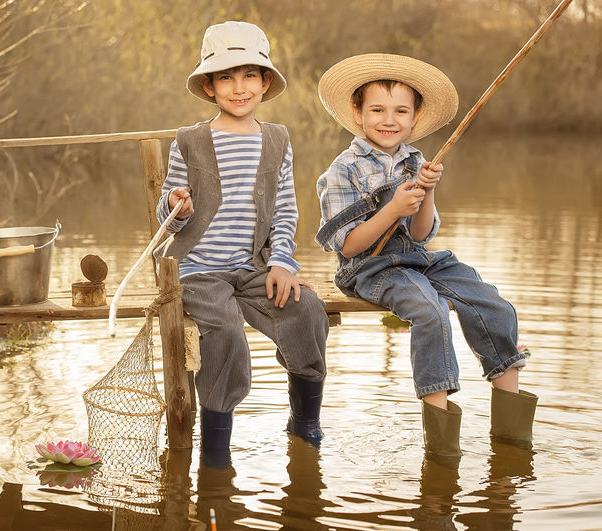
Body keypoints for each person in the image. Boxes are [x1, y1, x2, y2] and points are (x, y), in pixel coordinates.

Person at [315, 54, 537, 466]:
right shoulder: (342, 171)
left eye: (401, 111)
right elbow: (349, 246)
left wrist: (427, 191)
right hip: (369, 267)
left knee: (495, 306)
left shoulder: (416, 161)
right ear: (357, 113)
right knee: (430, 311)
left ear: (415, 117)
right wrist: (391, 208)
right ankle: (442, 450)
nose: (389, 120)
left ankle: (512, 440)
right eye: (377, 110)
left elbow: (420, 235)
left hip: (416, 257)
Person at [156, 21, 329, 464]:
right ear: (209, 86)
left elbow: (285, 210)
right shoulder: (190, 141)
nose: (239, 87)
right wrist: (176, 205)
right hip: (197, 269)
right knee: (226, 332)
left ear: (265, 82)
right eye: (226, 77)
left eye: (250, 75)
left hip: (253, 266)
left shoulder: (277, 140)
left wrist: (283, 263)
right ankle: (216, 447)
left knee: (306, 309)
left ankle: (305, 422)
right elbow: (167, 216)